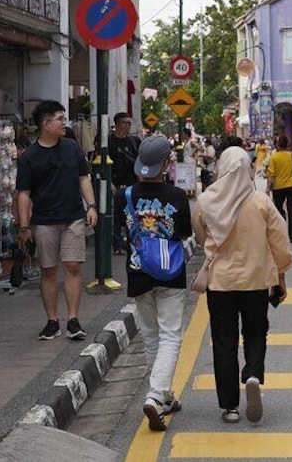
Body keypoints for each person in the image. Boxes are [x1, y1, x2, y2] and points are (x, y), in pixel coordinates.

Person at [193, 147, 292, 424]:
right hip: (256, 281)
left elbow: (200, 236)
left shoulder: (205, 201)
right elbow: (280, 243)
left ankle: (230, 407)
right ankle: (252, 374)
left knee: (224, 341)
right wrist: (281, 276)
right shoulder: (261, 202)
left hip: (220, 283)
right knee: (256, 332)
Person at [120, 136, 191, 432]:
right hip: (171, 272)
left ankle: (164, 396)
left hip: (138, 271)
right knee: (171, 337)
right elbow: (184, 233)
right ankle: (155, 394)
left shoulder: (125, 195)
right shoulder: (176, 196)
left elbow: (124, 230)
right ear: (166, 164)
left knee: (151, 337)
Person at [16, 100, 99, 341]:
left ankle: (73, 319)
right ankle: (52, 321)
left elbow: (84, 178)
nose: (65, 123)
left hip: (73, 217)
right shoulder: (29, 157)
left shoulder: (72, 148)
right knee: (48, 271)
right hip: (44, 220)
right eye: (60, 119)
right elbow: (23, 193)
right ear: (46, 124)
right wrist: (23, 226)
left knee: (72, 266)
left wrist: (91, 206)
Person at [108, 112, 141, 254]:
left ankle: (131, 242)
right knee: (115, 215)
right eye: (125, 123)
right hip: (115, 184)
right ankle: (117, 244)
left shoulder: (134, 141)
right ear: (118, 124)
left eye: (129, 123)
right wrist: (109, 182)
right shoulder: (108, 142)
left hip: (131, 183)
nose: (128, 126)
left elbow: (139, 161)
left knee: (131, 214)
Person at [266, 135, 292, 243]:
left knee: (278, 210)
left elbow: (271, 174)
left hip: (278, 188)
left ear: (277, 145)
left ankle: (281, 232)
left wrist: (267, 188)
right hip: (291, 186)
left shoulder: (273, 157)